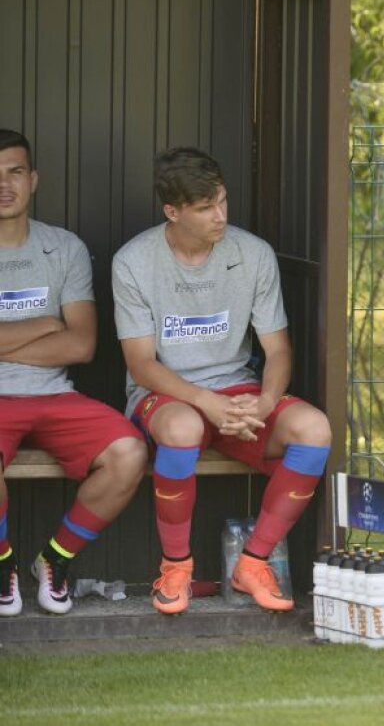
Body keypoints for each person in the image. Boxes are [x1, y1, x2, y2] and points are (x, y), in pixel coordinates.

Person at [113, 147, 331, 615]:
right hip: (166, 394)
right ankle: (176, 568)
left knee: (315, 430)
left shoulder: (252, 253)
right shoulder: (133, 261)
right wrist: (203, 402)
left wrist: (268, 401)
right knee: (183, 428)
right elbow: (141, 364)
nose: (220, 216)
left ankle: (253, 562)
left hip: (238, 391)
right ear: (173, 211)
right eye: (205, 207)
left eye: (223, 201)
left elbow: (277, 349)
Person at [0, 128, 147, 616]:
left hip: (54, 394)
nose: (5, 184)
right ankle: (3, 566)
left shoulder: (63, 248)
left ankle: (55, 559)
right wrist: (43, 324)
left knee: (129, 452)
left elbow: (81, 344)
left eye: (15, 171)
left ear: (34, 179)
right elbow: (60, 332)